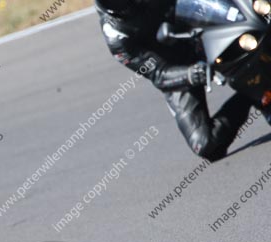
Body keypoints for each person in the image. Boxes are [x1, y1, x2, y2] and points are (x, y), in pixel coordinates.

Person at [95, 0, 254, 160]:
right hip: (177, 69)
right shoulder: (116, 35)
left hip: (200, 30)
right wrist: (189, 74)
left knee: (250, 15)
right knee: (205, 145)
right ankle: (250, 95)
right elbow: (158, 74)